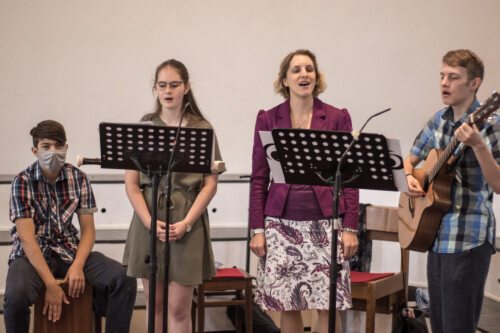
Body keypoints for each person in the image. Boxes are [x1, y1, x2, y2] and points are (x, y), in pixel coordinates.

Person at [249, 49, 359, 333]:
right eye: (296, 70)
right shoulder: (268, 119)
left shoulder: (336, 117)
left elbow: (349, 179)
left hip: (327, 222)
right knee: (289, 302)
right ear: (284, 80)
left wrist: (350, 228)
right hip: (280, 223)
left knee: (328, 303)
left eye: (309, 69)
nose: (304, 75)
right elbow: (259, 178)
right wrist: (257, 229)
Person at [4, 120, 137, 333]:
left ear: (66, 147)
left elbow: (88, 231)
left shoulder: (79, 178)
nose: (53, 152)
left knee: (124, 279)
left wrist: (77, 265)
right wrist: (51, 284)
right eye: (46, 147)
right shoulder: (22, 181)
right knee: (15, 297)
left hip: (70, 250)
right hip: (32, 255)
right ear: (34, 150)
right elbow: (27, 239)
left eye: (58, 146)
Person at [122, 59, 225, 333]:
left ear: (186, 87)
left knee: (179, 309)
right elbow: (132, 185)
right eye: (162, 85)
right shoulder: (144, 126)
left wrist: (187, 223)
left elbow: (210, 185)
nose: (168, 91)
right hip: (148, 220)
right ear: (155, 88)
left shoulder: (202, 129)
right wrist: (148, 222)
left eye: (174, 85)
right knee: (154, 306)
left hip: (186, 221)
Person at [403, 49, 500, 332]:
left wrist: (478, 145)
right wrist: (410, 179)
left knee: (458, 327)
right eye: (442, 76)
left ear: (474, 84)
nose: (444, 82)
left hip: (468, 236)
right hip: (436, 235)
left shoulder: (492, 124)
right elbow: (408, 161)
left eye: (453, 77)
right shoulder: (439, 120)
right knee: (440, 325)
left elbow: (498, 184)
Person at [455, 122, 500, 193]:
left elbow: (498, 185)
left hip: (472, 203)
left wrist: (478, 145)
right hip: (437, 202)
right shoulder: (436, 120)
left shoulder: (495, 126)